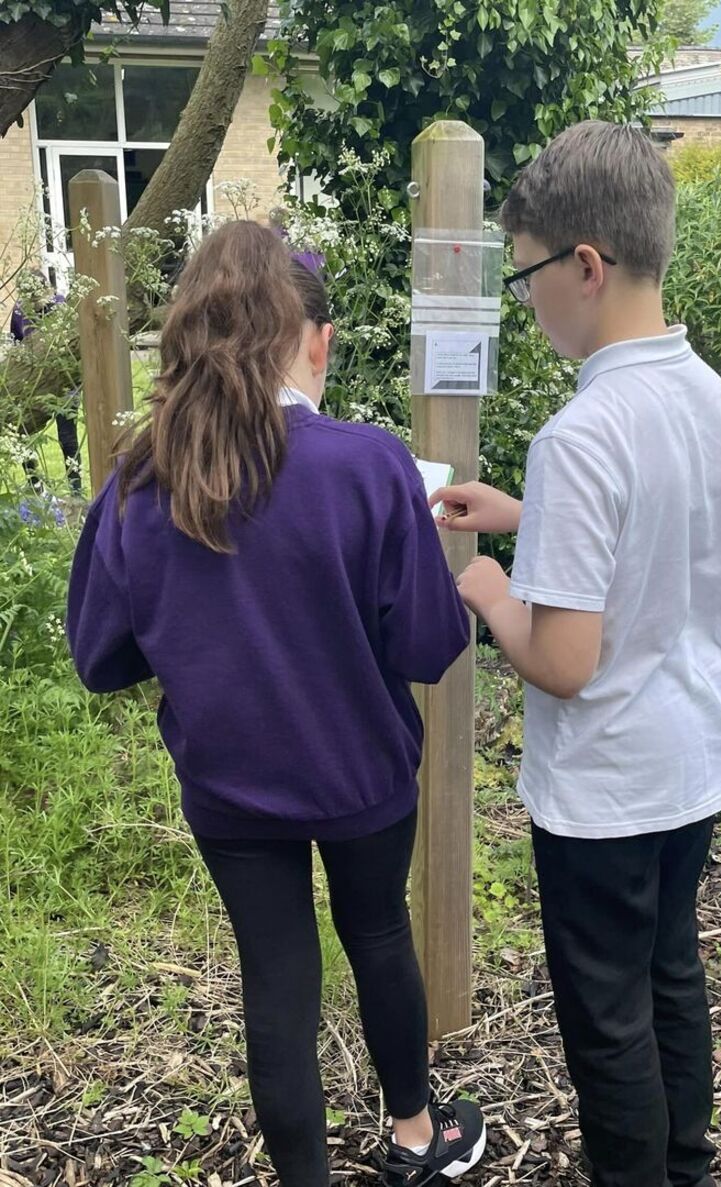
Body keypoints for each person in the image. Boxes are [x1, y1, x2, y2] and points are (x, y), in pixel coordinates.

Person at [66, 221, 486, 1187]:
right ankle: (417, 1136)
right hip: (364, 776)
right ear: (315, 339)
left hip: (230, 785)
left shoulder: (142, 479)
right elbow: (427, 643)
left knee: (276, 974)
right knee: (377, 929)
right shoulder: (369, 466)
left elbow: (100, 655)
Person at [432, 121, 721, 1187]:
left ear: (584, 265)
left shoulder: (579, 434)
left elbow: (566, 658)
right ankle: (685, 1166)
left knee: (606, 1016)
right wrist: (530, 518)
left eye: (526, 269)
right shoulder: (701, 394)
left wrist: (487, 584)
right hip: (699, 750)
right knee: (669, 969)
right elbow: (655, 533)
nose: (523, 296)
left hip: (610, 782)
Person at [10, 269, 83, 495]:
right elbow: (17, 342)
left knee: (67, 438)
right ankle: (34, 484)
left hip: (63, 384)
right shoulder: (20, 310)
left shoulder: (61, 306)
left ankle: (76, 491)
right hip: (32, 385)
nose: (32, 302)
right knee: (21, 433)